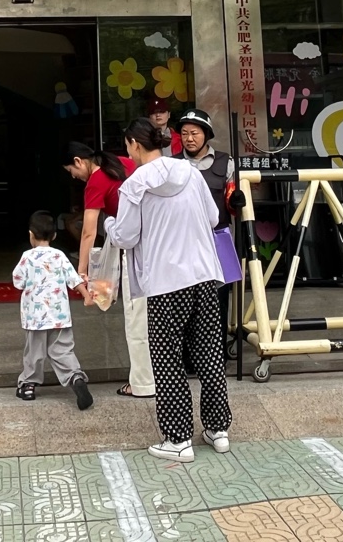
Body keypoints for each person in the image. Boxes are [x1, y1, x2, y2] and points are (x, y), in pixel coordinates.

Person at [108, 118, 231, 462]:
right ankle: (218, 429)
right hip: (204, 274)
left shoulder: (134, 185)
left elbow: (126, 237)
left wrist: (109, 225)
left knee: (167, 359)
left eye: (127, 145)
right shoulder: (190, 172)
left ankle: (178, 439)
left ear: (134, 144)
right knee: (209, 354)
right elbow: (213, 217)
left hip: (165, 282)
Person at [63, 142, 153, 400]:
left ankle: (143, 383)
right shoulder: (122, 162)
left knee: (136, 319)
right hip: (156, 243)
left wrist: (81, 270)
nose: (73, 176)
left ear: (79, 161)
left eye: (71, 170)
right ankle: (160, 376)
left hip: (135, 249)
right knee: (153, 316)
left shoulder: (96, 181)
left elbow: (88, 231)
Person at [13, 211, 93, 408]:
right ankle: (76, 377)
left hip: (35, 318)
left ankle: (28, 385)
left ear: (31, 234)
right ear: (55, 236)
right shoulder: (60, 255)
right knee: (63, 351)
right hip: (59, 317)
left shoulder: (27, 257)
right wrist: (87, 296)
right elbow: (74, 280)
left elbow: (18, 281)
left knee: (34, 353)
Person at [176, 108, 237, 348]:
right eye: (184, 133)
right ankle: (188, 354)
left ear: (206, 134)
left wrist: (236, 201)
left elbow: (232, 203)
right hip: (182, 241)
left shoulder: (226, 162)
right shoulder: (172, 164)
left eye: (195, 133)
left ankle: (216, 352)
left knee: (218, 297)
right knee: (184, 298)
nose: (189, 138)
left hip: (218, 239)